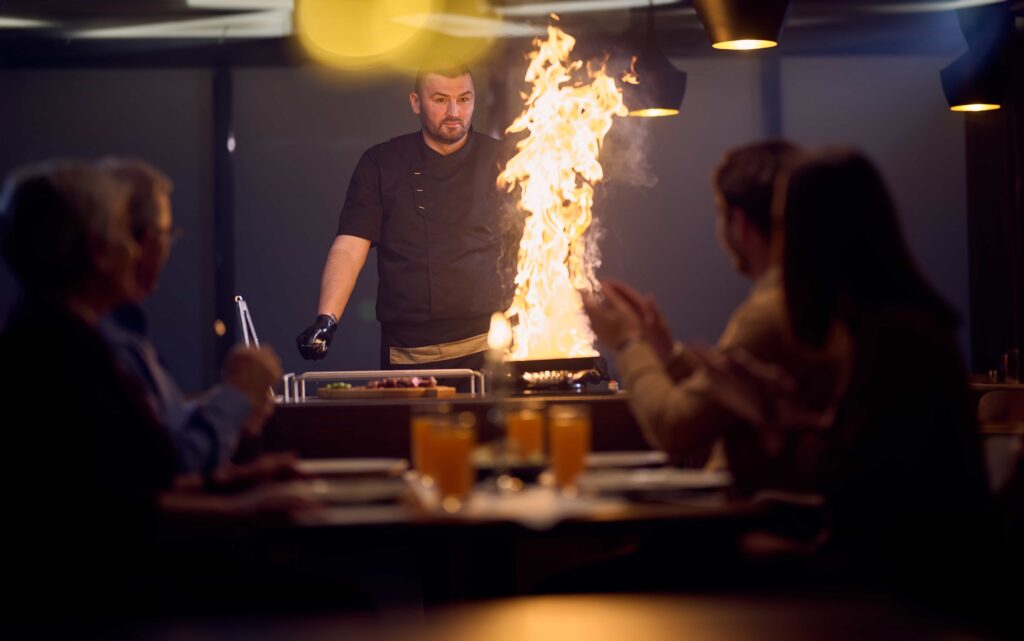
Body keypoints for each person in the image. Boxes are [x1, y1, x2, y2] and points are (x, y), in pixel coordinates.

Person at [693, 148, 990, 593]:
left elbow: (868, 508)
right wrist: (785, 413)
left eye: (783, 228)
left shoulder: (898, 343)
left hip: (907, 593)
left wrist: (777, 423)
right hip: (885, 571)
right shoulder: (883, 330)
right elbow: (862, 463)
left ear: (817, 239)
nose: (779, 248)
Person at [582, 141, 841, 491]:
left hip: (740, 522)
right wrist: (667, 353)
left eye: (719, 212)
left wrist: (629, 343)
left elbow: (674, 427)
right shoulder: (804, 296)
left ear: (739, 223)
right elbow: (721, 400)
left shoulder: (771, 313)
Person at [296, 59, 509, 372]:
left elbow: (544, 245)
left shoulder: (505, 162)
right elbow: (350, 246)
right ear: (415, 102)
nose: (454, 112)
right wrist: (327, 320)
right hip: (411, 354)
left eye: (464, 99)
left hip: (495, 346)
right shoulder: (382, 164)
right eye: (440, 100)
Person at [97, 158, 281, 474]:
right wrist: (235, 396)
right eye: (165, 233)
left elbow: (161, 440)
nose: (165, 248)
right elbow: (170, 467)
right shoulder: (93, 345)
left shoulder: (128, 332)